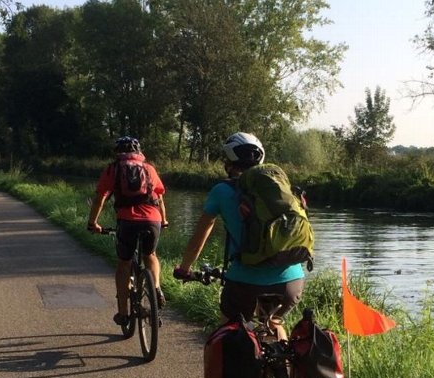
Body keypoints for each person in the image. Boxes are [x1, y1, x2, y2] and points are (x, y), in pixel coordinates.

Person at [173, 132, 305, 325]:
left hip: (245, 282)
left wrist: (185, 269)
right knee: (272, 324)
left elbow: (200, 236)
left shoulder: (222, 191)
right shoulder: (280, 188)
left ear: (229, 163)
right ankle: (281, 353)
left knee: (226, 332)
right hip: (291, 280)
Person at [87, 136, 168, 327]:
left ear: (117, 153)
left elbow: (100, 198)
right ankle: (156, 288)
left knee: (124, 263)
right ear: (139, 152)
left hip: (127, 220)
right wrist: (164, 220)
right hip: (152, 220)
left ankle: (123, 313)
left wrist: (93, 223)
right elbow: (160, 198)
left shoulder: (113, 169)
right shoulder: (149, 169)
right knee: (151, 255)